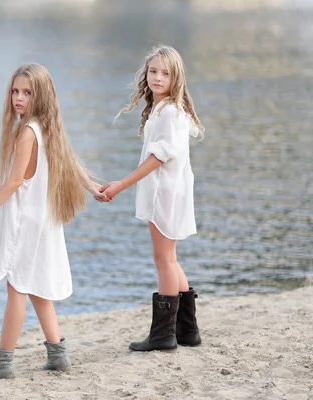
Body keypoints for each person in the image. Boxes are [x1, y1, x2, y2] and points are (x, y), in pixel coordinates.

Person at [0, 63, 110, 379]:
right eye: (15, 91)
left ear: (42, 96)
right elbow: (71, 163)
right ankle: (58, 354)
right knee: (37, 290)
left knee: (16, 289)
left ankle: (2, 362)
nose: (18, 98)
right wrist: (93, 188)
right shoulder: (47, 129)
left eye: (27, 92)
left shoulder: (27, 133)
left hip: (26, 221)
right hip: (45, 220)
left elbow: (13, 182)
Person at [100, 45, 203, 352]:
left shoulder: (171, 112)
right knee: (169, 259)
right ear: (145, 74)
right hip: (167, 191)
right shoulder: (162, 109)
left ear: (176, 78)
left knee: (164, 260)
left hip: (165, 193)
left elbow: (159, 157)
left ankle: (162, 335)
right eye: (153, 71)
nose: (158, 77)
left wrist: (121, 184)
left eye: (166, 73)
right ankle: (188, 330)